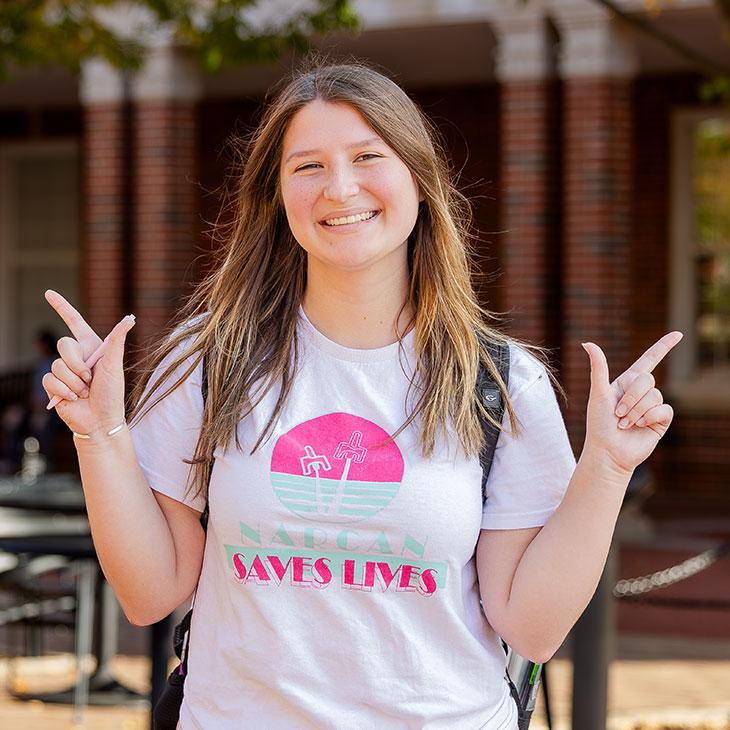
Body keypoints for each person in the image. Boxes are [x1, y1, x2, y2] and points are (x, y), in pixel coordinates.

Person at [42, 60, 682, 730]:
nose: (339, 187)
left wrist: (606, 468)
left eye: (368, 156)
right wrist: (98, 431)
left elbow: (532, 628)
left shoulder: (498, 382)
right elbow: (150, 593)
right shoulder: (211, 357)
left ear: (420, 181)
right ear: (278, 195)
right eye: (308, 166)